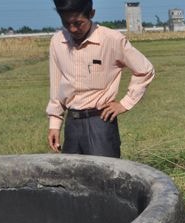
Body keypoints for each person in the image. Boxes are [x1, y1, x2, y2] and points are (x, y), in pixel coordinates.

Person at [46, 0, 155, 158]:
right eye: (66, 23)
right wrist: (54, 124)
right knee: (72, 177)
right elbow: (56, 88)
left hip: (100, 123)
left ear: (91, 14)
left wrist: (125, 104)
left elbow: (145, 70)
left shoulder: (111, 39)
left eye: (78, 23)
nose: (72, 29)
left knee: (105, 177)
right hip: (72, 123)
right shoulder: (57, 42)